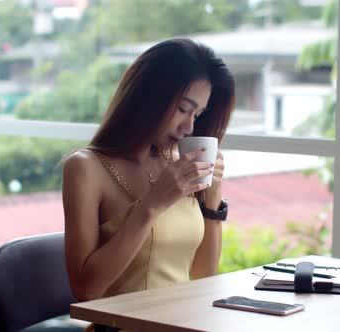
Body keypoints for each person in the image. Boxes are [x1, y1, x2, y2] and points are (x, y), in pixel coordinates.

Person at [61, 38, 235, 311]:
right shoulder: (86, 168)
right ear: (149, 96)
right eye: (182, 109)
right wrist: (151, 205)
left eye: (198, 114)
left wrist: (212, 196)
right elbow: (86, 291)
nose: (189, 127)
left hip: (182, 324)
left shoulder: (177, 164)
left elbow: (204, 276)